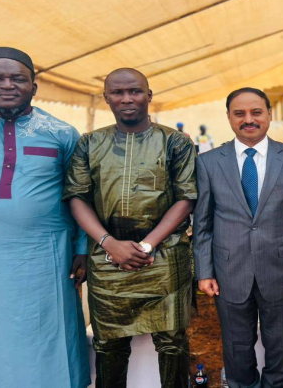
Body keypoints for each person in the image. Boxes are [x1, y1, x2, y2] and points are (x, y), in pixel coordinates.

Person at [0, 47, 90, 388]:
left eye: (18, 78)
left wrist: (82, 247)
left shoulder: (61, 133)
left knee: (45, 328)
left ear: (34, 86)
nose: (8, 85)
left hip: (43, 256)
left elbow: (79, 194)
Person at [63, 68, 197, 388]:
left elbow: (186, 197)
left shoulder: (175, 141)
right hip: (107, 258)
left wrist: (147, 245)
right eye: (118, 92)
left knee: (172, 344)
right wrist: (109, 243)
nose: (127, 99)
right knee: (109, 345)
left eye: (135, 91)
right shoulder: (89, 143)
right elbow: (77, 197)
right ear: (106, 97)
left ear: (149, 95)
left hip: (164, 257)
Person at [193, 87, 283, 388]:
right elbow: (203, 223)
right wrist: (204, 271)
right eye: (240, 113)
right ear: (229, 117)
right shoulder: (208, 162)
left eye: (256, 112)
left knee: (280, 346)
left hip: (282, 270)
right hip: (228, 270)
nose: (248, 119)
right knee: (236, 347)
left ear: (269, 115)